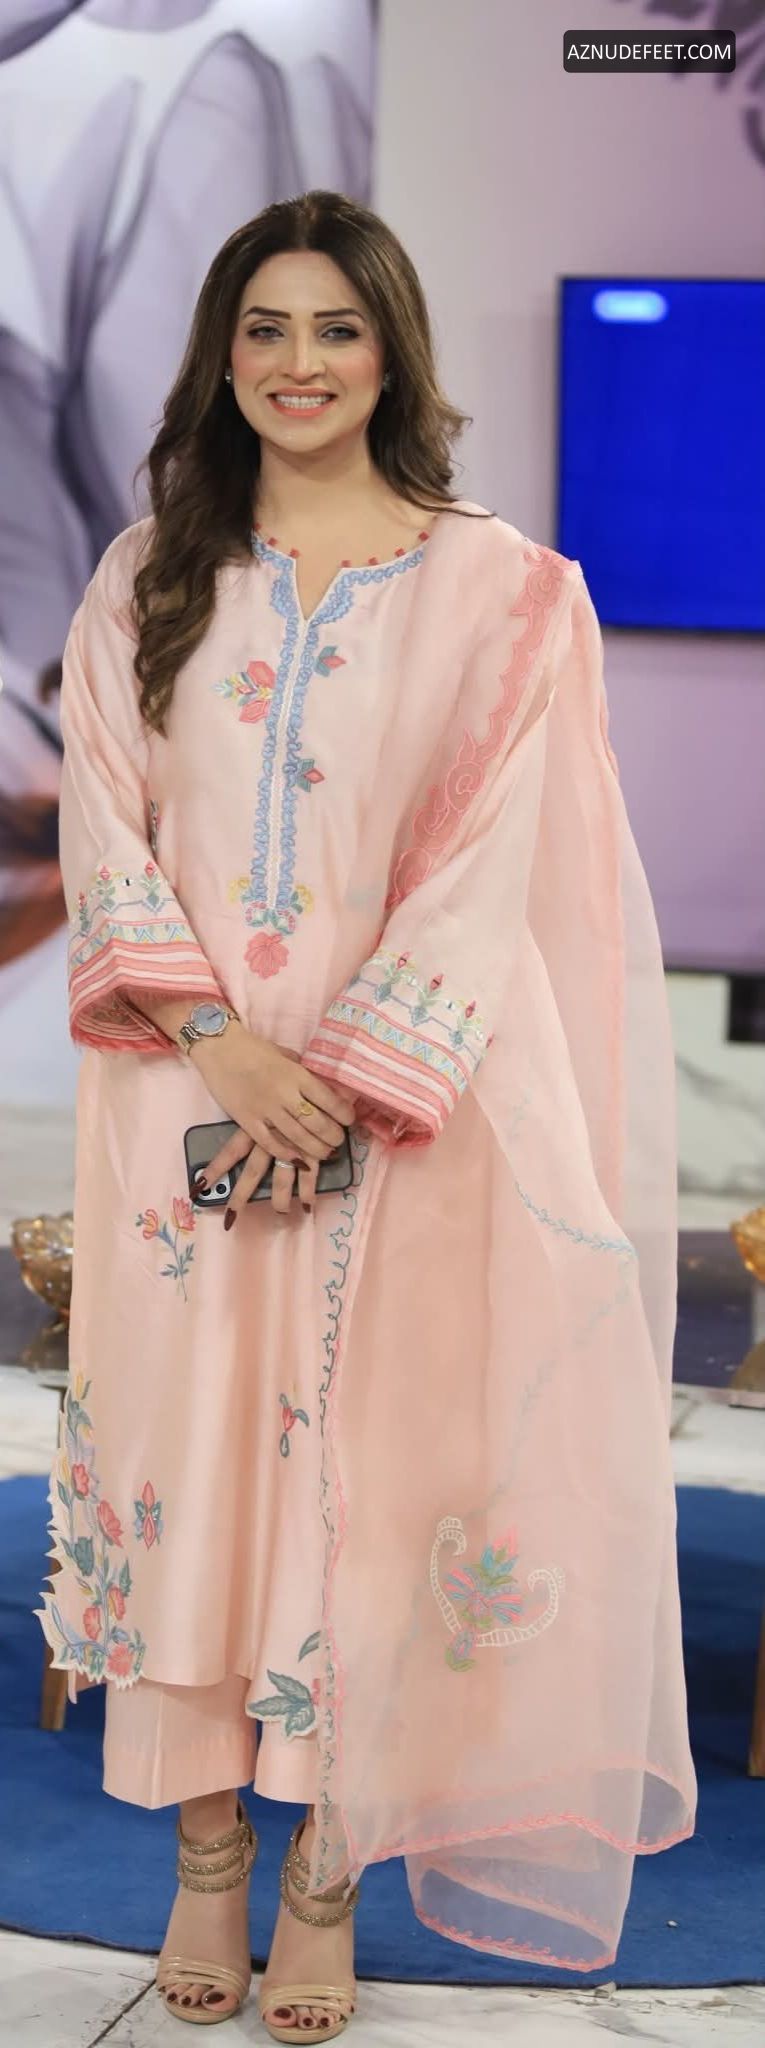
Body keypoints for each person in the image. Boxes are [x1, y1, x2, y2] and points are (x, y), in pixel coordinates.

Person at [37, 189, 697, 2035]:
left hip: (400, 1127)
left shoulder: (509, 594)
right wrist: (223, 1049)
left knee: (369, 1485)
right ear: (221, 355)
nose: (298, 362)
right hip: (180, 1119)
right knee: (191, 1483)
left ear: (394, 351)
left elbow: (486, 873)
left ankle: (325, 1873)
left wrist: (325, 1084)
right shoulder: (146, 572)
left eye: (336, 327)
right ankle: (205, 1865)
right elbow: (105, 827)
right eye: (264, 327)